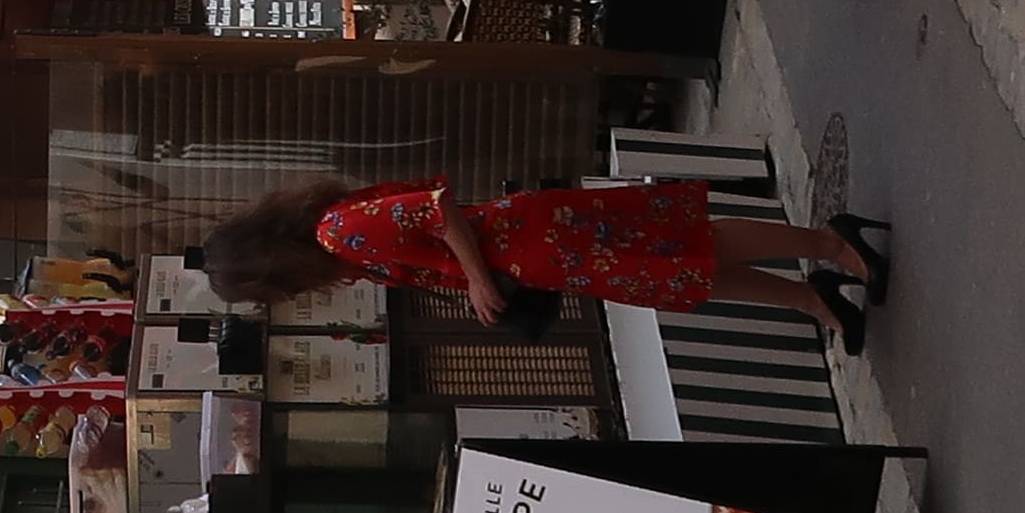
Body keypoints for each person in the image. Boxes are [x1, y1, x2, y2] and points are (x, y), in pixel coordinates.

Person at [201, 169, 888, 349]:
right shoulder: (335, 234)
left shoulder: (337, 237)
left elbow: (436, 207)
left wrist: (473, 279)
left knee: (685, 251)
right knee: (680, 270)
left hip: (534, 244)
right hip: (536, 247)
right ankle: (810, 294)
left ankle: (828, 246)